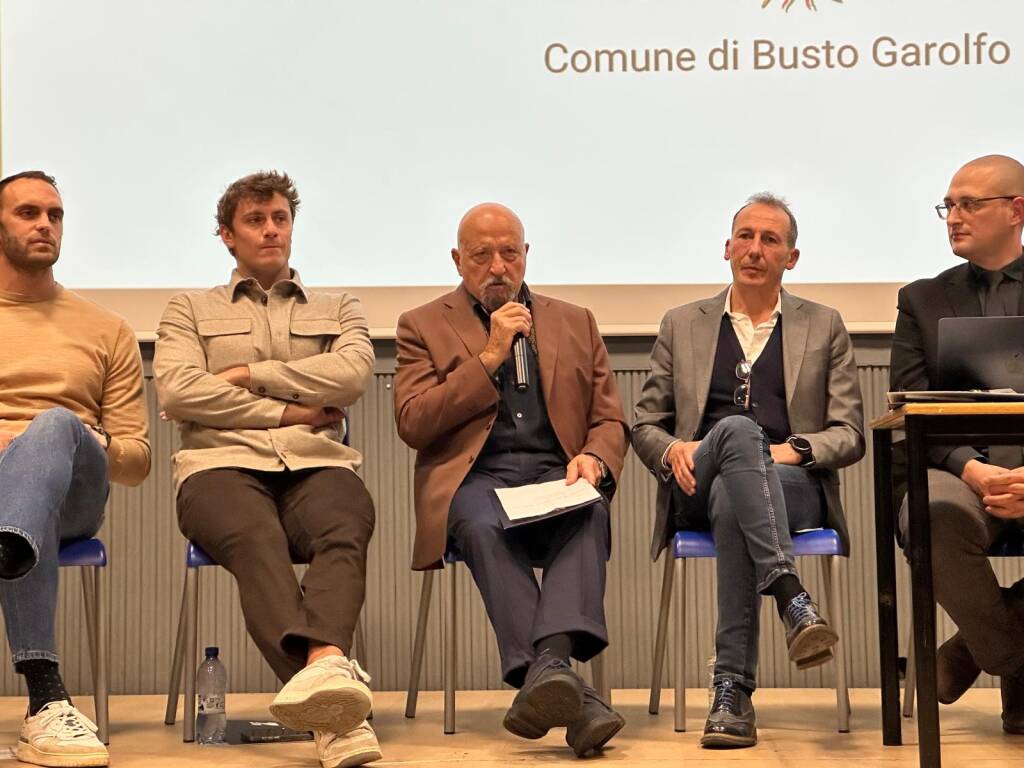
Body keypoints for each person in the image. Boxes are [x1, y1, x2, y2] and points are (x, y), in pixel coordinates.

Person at [153, 171, 380, 767]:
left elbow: (353, 374)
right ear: (228, 235)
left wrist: (249, 376)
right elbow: (177, 392)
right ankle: (334, 693)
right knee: (258, 538)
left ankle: (322, 688)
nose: (271, 229)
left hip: (317, 463)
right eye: (256, 220)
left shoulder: (340, 307)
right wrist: (291, 410)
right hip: (217, 467)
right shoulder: (188, 309)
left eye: (280, 218)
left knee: (345, 524)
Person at [393, 202, 628, 757]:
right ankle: (570, 692)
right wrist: (490, 355)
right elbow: (414, 422)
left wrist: (595, 457)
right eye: (481, 255)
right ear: (457, 260)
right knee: (479, 523)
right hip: (477, 478)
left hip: (555, 472)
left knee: (590, 509)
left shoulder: (576, 319)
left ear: (526, 255)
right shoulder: (421, 324)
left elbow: (610, 418)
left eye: (509, 253)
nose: (498, 266)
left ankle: (549, 677)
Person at [632, 193, 864, 748]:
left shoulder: (824, 325)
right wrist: (671, 452)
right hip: (698, 477)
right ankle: (791, 597)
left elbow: (850, 432)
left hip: (791, 486)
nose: (754, 249)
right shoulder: (683, 323)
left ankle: (731, 691)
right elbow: (645, 424)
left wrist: (795, 450)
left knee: (739, 492)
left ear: (792, 257)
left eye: (770, 240)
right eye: (745, 237)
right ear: (727, 248)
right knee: (736, 432)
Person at [0, 170, 150, 767]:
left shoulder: (105, 328)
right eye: (28, 213)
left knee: (57, 424)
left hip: (74, 494)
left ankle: (12, 537)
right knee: (19, 516)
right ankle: (45, 700)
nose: (45, 224)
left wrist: (76, 437)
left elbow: (136, 461)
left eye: (55, 215)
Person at [890, 154, 1024, 735]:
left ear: (1017, 210)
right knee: (933, 514)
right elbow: (911, 404)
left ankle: (966, 652)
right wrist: (971, 469)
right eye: (949, 205)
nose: (954, 217)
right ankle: (1015, 664)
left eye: (970, 204)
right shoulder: (922, 300)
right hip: (954, 470)